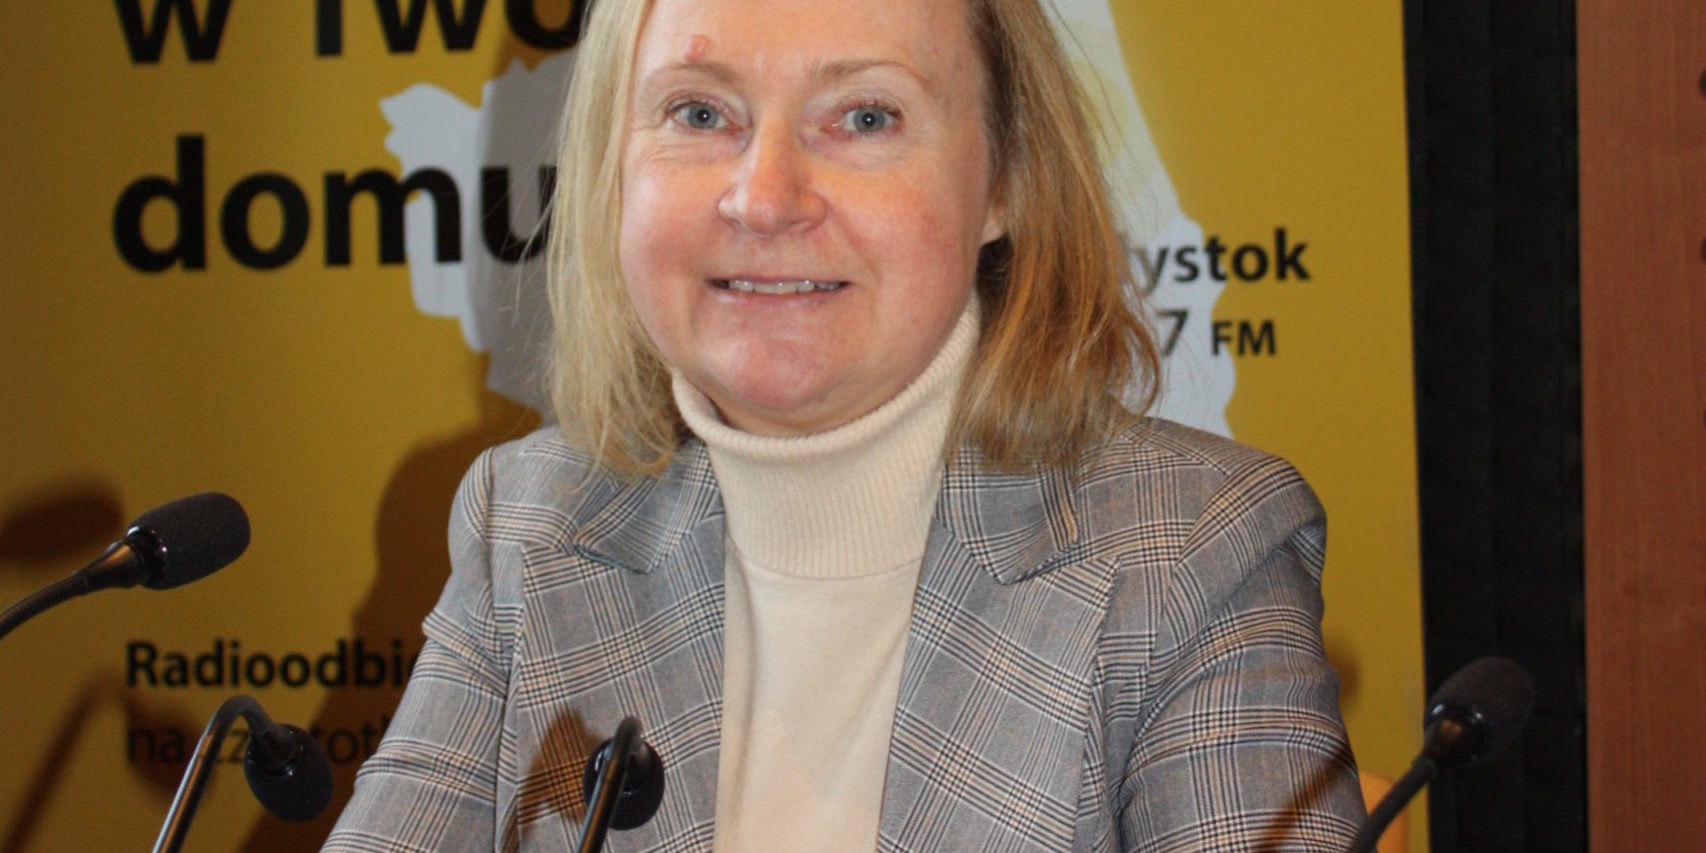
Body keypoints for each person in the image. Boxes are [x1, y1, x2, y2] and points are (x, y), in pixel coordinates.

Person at [325, 0, 1366, 849]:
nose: (764, 197)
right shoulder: (530, 524)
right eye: (699, 113)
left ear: (1005, 178)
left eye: (864, 117)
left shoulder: (1192, 551)